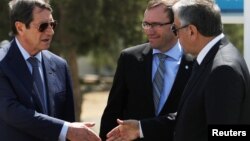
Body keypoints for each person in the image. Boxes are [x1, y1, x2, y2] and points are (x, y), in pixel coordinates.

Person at [106, 0, 250, 141]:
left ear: (191, 31)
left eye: (176, 29)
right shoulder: (213, 58)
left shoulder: (222, 69)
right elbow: (190, 117)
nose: (176, 36)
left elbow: (227, 133)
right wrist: (140, 128)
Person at [0, 0, 101, 141]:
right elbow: (11, 111)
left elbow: (68, 119)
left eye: (52, 24)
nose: (51, 31)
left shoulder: (60, 65)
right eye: (43, 26)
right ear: (20, 27)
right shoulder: (2, 64)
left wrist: (68, 130)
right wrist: (65, 129)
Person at [100, 0, 193, 140]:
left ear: (176, 25)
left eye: (156, 24)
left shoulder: (195, 64)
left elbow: (195, 117)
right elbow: (113, 112)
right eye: (146, 24)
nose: (149, 30)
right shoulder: (129, 59)